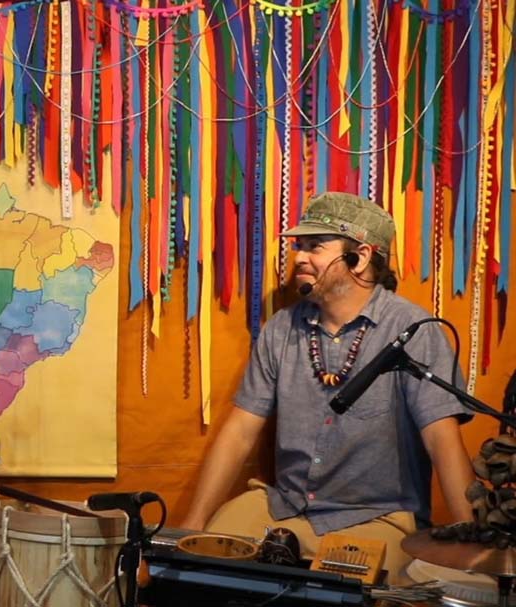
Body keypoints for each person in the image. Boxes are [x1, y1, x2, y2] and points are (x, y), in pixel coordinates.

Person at [180, 192, 475, 578]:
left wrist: (472, 547)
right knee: (205, 563)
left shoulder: (413, 331)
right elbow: (239, 433)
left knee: (353, 591)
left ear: (360, 257)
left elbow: (442, 440)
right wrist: (193, 525)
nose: (299, 257)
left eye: (315, 246)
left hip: (376, 518)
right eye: (299, 246)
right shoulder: (281, 329)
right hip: (284, 508)